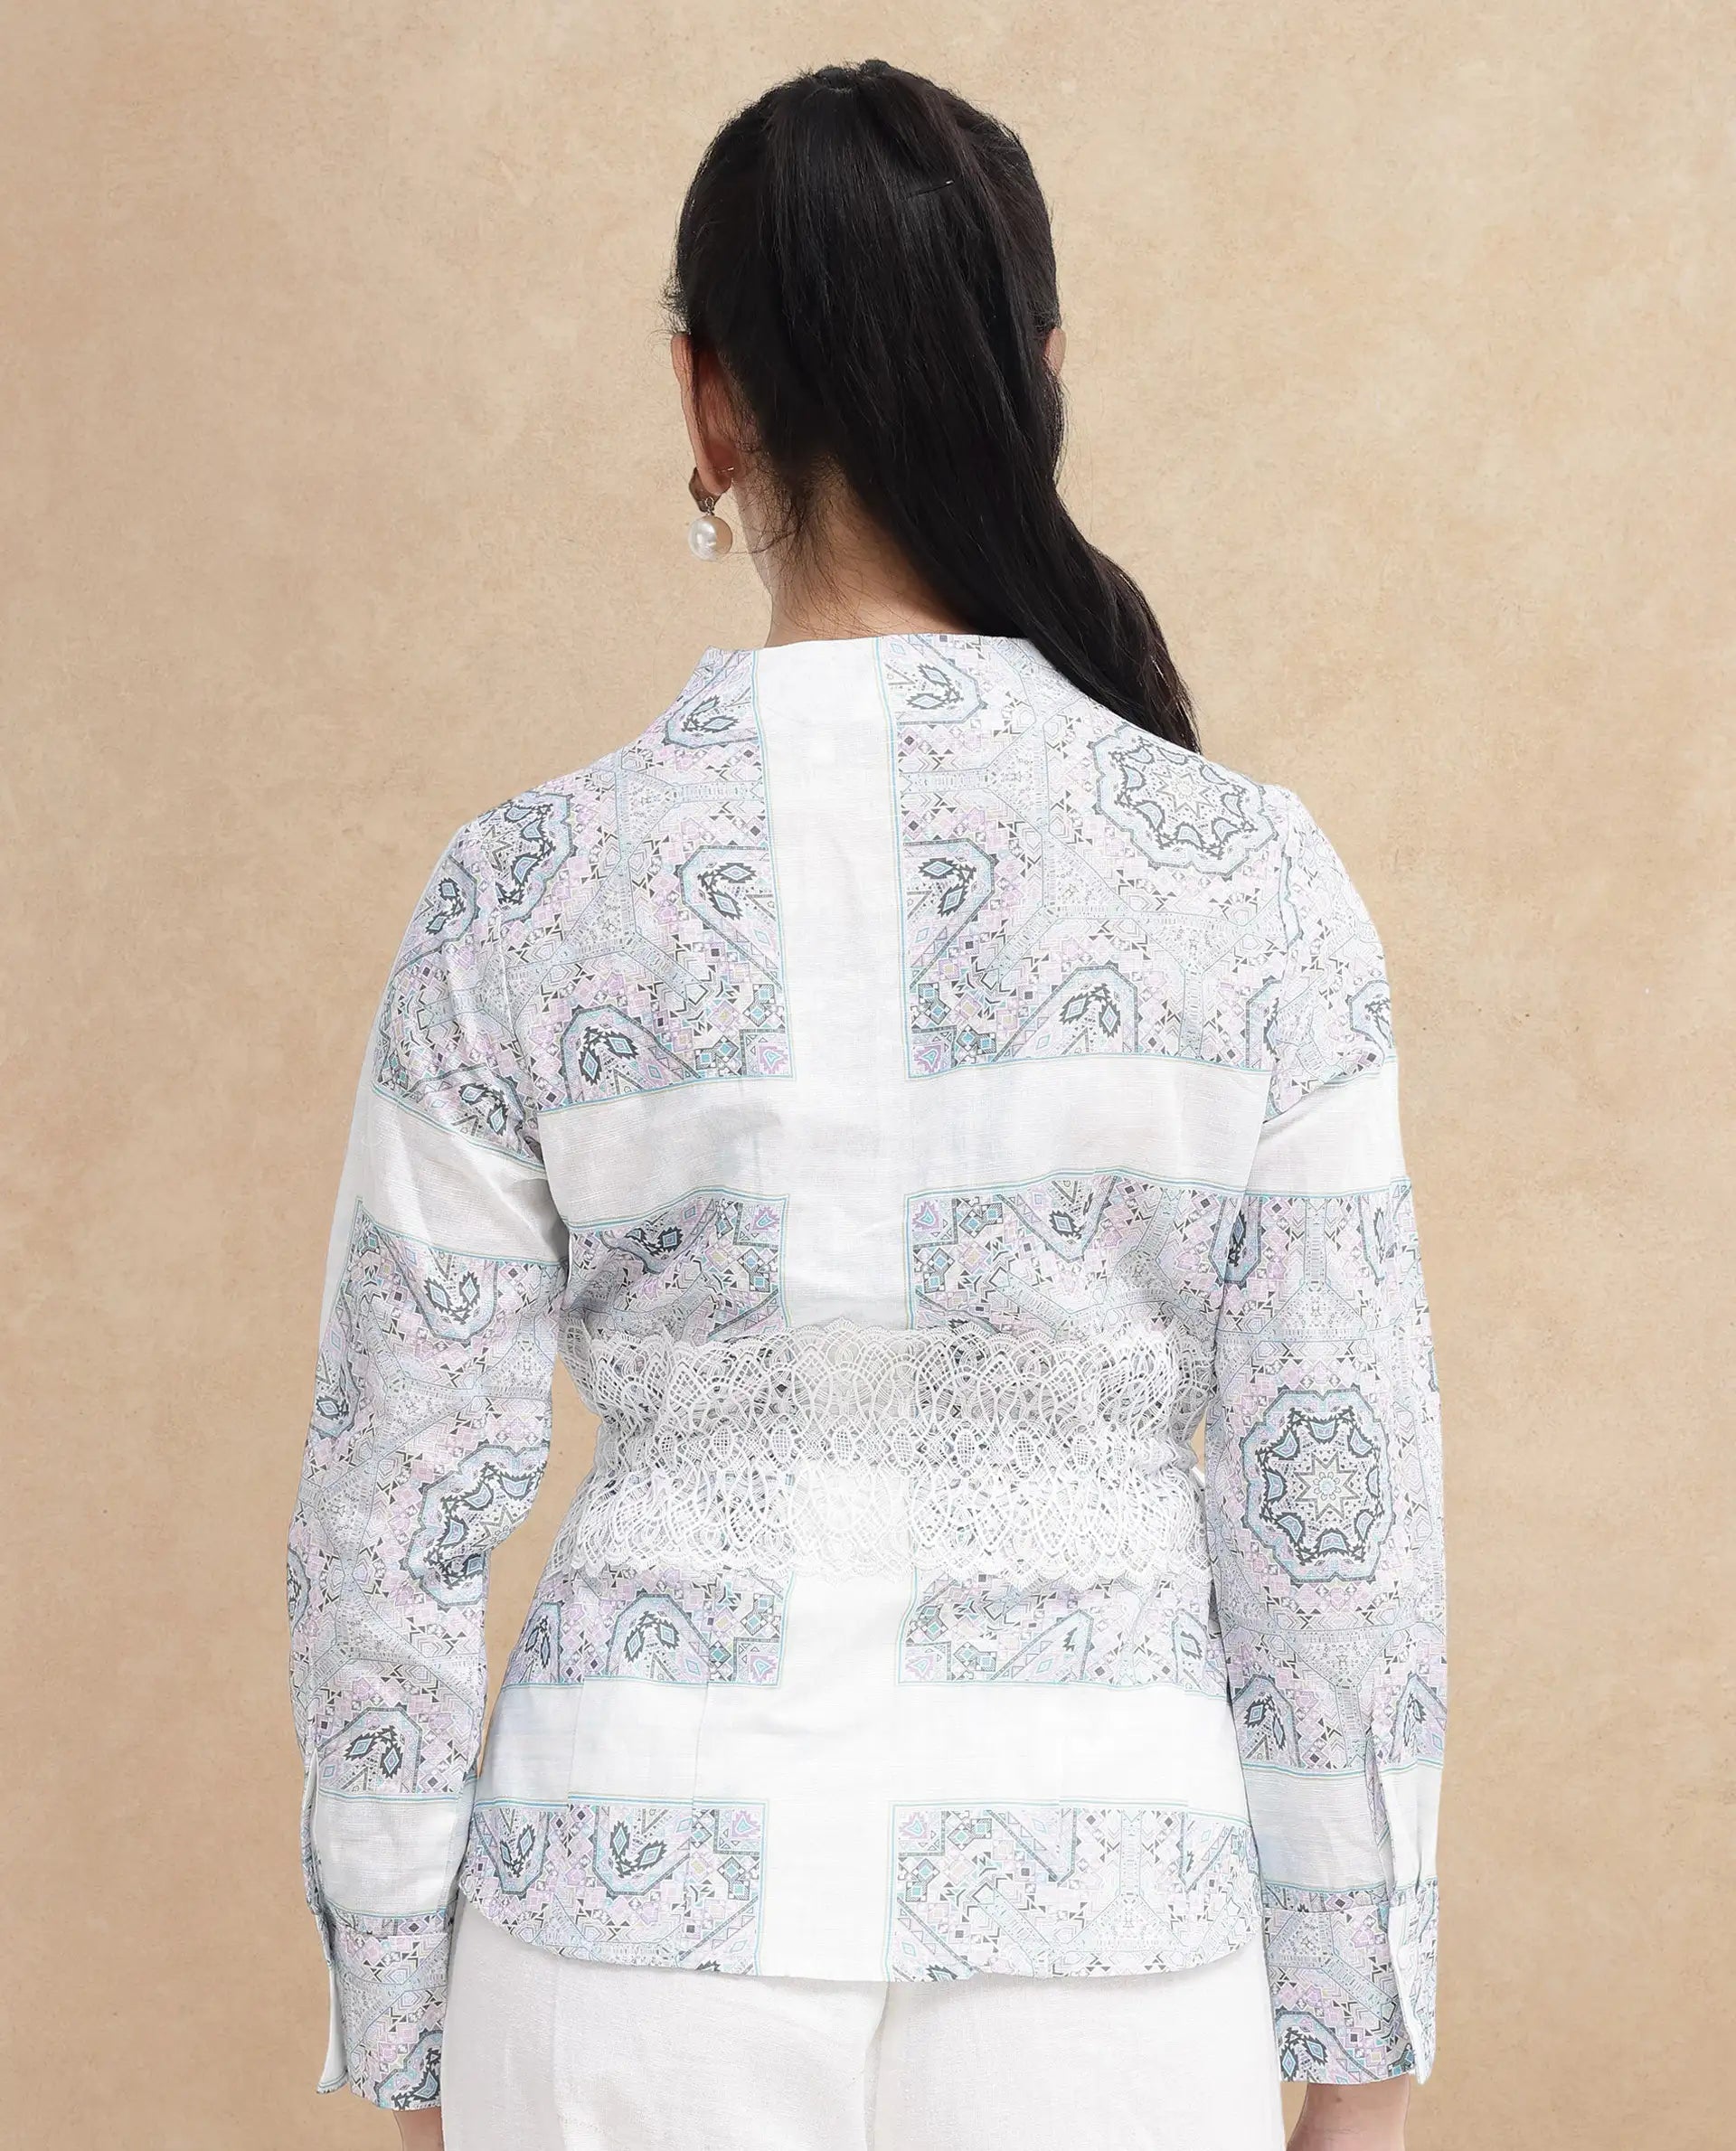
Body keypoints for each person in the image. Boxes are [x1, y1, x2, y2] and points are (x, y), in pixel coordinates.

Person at [286, 58, 1446, 2151]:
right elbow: (1331, 1505)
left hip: (621, 1940)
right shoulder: (1253, 886)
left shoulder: (524, 895)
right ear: (1042, 380)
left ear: (707, 398)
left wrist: (407, 2038)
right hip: (1109, 1957)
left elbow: (391, 1514)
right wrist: (1355, 2073)